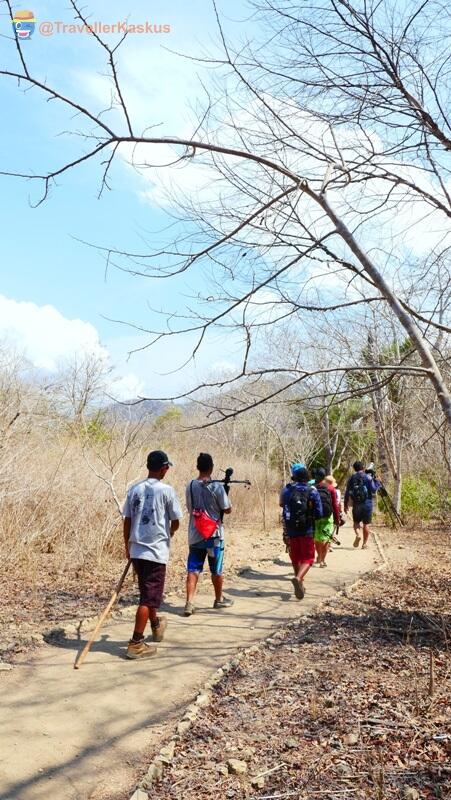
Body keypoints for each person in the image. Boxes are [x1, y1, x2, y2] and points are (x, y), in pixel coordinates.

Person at [123, 450, 183, 659]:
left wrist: (127, 547)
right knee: (148, 599)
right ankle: (136, 643)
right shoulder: (166, 491)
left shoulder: (134, 489)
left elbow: (127, 521)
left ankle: (156, 625)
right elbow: (176, 520)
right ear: (163, 468)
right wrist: (171, 532)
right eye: (166, 467)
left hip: (137, 549)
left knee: (148, 594)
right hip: (155, 551)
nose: (167, 470)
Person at [184, 452, 232, 616]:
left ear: (198, 467)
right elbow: (227, 509)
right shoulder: (217, 487)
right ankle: (218, 599)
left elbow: (189, 508)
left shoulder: (190, 485)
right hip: (214, 536)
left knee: (193, 569)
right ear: (211, 467)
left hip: (195, 534)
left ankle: (189, 602)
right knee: (216, 569)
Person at [280, 465, 323, 599]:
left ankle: (300, 582)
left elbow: (282, 504)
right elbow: (319, 512)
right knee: (308, 558)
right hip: (307, 528)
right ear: (307, 478)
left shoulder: (287, 489)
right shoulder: (312, 491)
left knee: (296, 557)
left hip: (291, 528)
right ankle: (298, 578)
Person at [344, 460, 380, 549]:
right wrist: (377, 481)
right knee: (366, 524)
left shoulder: (352, 478)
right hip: (367, 503)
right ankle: (364, 544)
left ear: (354, 468)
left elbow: (347, 492)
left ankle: (358, 534)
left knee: (356, 522)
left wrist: (345, 504)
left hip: (356, 504)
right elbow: (374, 489)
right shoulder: (368, 477)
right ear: (363, 468)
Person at [314, 468, 341, 567]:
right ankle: (322, 560)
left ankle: (319, 555)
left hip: (315, 517)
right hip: (328, 517)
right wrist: (337, 519)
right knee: (326, 538)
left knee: (317, 538)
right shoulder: (331, 488)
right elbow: (335, 505)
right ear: (324, 476)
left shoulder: (313, 488)